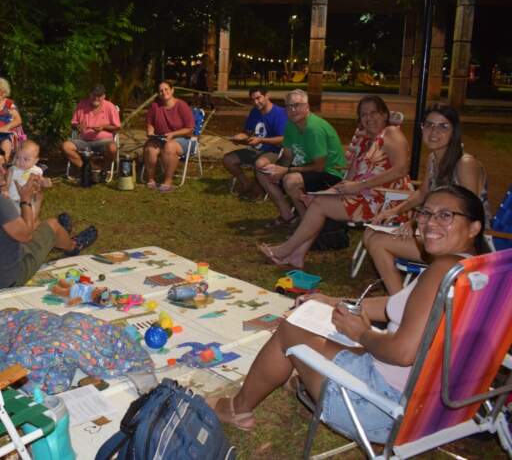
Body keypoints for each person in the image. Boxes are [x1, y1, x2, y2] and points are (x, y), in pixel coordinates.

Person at [208, 185, 489, 443]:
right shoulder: (482, 274)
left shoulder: (443, 270)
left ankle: (237, 409)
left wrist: (362, 333)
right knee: (324, 326)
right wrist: (333, 301)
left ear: (474, 227)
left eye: (445, 215)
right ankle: (304, 386)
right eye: (426, 213)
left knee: (292, 328)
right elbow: (401, 306)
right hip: (443, 408)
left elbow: (403, 353)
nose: (430, 223)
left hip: (384, 410)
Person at [258, 95, 412, 270]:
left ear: (384, 114)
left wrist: (358, 187)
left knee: (319, 206)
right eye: (364, 115)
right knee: (317, 202)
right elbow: (349, 179)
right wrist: (324, 193)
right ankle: (296, 255)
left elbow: (401, 169)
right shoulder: (363, 142)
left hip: (389, 200)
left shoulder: (391, 133)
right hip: (364, 196)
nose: (369, 118)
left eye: (374, 113)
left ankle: (286, 251)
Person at [364, 104, 490, 294]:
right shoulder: (434, 159)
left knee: (378, 242)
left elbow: (467, 212)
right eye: (429, 125)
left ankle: (399, 301)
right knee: (369, 233)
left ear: (454, 131)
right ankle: (399, 300)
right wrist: (394, 211)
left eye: (443, 126)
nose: (434, 132)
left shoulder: (465, 164)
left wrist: (416, 222)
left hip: (464, 244)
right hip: (441, 232)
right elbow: (422, 194)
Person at [0, 145, 97, 289]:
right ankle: (73, 246)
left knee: (38, 225)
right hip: (9, 276)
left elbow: (25, 224)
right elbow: (26, 236)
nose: (3, 171)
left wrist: (37, 199)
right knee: (52, 224)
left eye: (3, 165)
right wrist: (25, 200)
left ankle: (58, 237)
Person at [256, 89, 347, 227]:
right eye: (289, 106)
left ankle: (307, 224)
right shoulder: (291, 126)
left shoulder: (314, 129)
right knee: (262, 170)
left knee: (290, 181)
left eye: (297, 105)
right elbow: (287, 156)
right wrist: (276, 170)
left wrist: (285, 171)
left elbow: (319, 167)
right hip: (308, 169)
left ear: (307, 107)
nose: (292, 110)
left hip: (329, 173)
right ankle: (288, 215)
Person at [223, 87, 287, 198]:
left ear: (267, 96)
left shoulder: (280, 113)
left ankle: (260, 188)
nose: (256, 102)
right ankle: (246, 184)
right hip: (255, 150)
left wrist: (261, 140)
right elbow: (247, 132)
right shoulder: (255, 112)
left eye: (258, 98)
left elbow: (283, 139)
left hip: (274, 151)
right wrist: (239, 137)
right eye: (253, 100)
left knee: (260, 163)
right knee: (228, 159)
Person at [143, 80, 195, 193]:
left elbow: (190, 129)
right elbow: (150, 123)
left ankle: (167, 181)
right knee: (150, 148)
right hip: (161, 138)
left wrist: (173, 134)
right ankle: (151, 179)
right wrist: (150, 132)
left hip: (183, 138)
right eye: (161, 90)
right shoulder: (155, 106)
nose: (164, 92)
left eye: (166, 89)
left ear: (172, 90)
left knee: (169, 146)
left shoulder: (181, 105)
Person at [61, 84, 120, 179]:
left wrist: (103, 127)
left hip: (104, 141)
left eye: (99, 96)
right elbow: (73, 123)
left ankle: (104, 170)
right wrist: (78, 126)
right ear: (90, 94)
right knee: (66, 146)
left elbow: (117, 127)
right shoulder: (82, 104)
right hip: (84, 140)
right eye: (94, 95)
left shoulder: (110, 106)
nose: (96, 98)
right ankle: (85, 169)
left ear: (103, 96)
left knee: (113, 148)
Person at [6, 140, 52, 217]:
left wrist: (45, 182)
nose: (20, 162)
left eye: (26, 159)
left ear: (35, 161)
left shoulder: (36, 171)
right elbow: (6, 184)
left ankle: (29, 224)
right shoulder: (12, 170)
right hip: (13, 200)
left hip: (30, 201)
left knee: (31, 215)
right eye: (17, 157)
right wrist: (5, 191)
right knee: (14, 216)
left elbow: (41, 181)